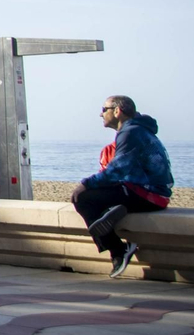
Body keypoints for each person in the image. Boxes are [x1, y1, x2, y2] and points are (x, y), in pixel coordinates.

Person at [71, 95, 174, 278]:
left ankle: (118, 250)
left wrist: (85, 184)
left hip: (149, 195)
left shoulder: (130, 132)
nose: (101, 114)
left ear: (117, 111)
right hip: (150, 192)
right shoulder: (139, 130)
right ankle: (110, 214)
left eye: (104, 110)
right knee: (100, 198)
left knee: (83, 198)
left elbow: (116, 170)